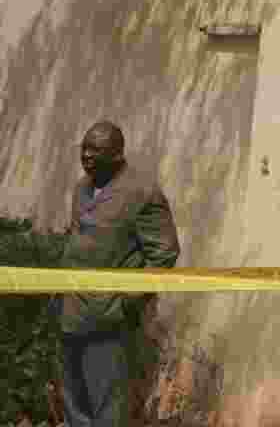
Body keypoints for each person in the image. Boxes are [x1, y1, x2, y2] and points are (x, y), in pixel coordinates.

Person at [59, 121, 180, 427]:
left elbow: (163, 254)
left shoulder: (142, 192)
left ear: (116, 155)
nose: (86, 156)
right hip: (72, 312)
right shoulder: (81, 188)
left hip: (109, 322)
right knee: (75, 404)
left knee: (108, 409)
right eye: (84, 148)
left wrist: (127, 301)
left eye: (95, 150)